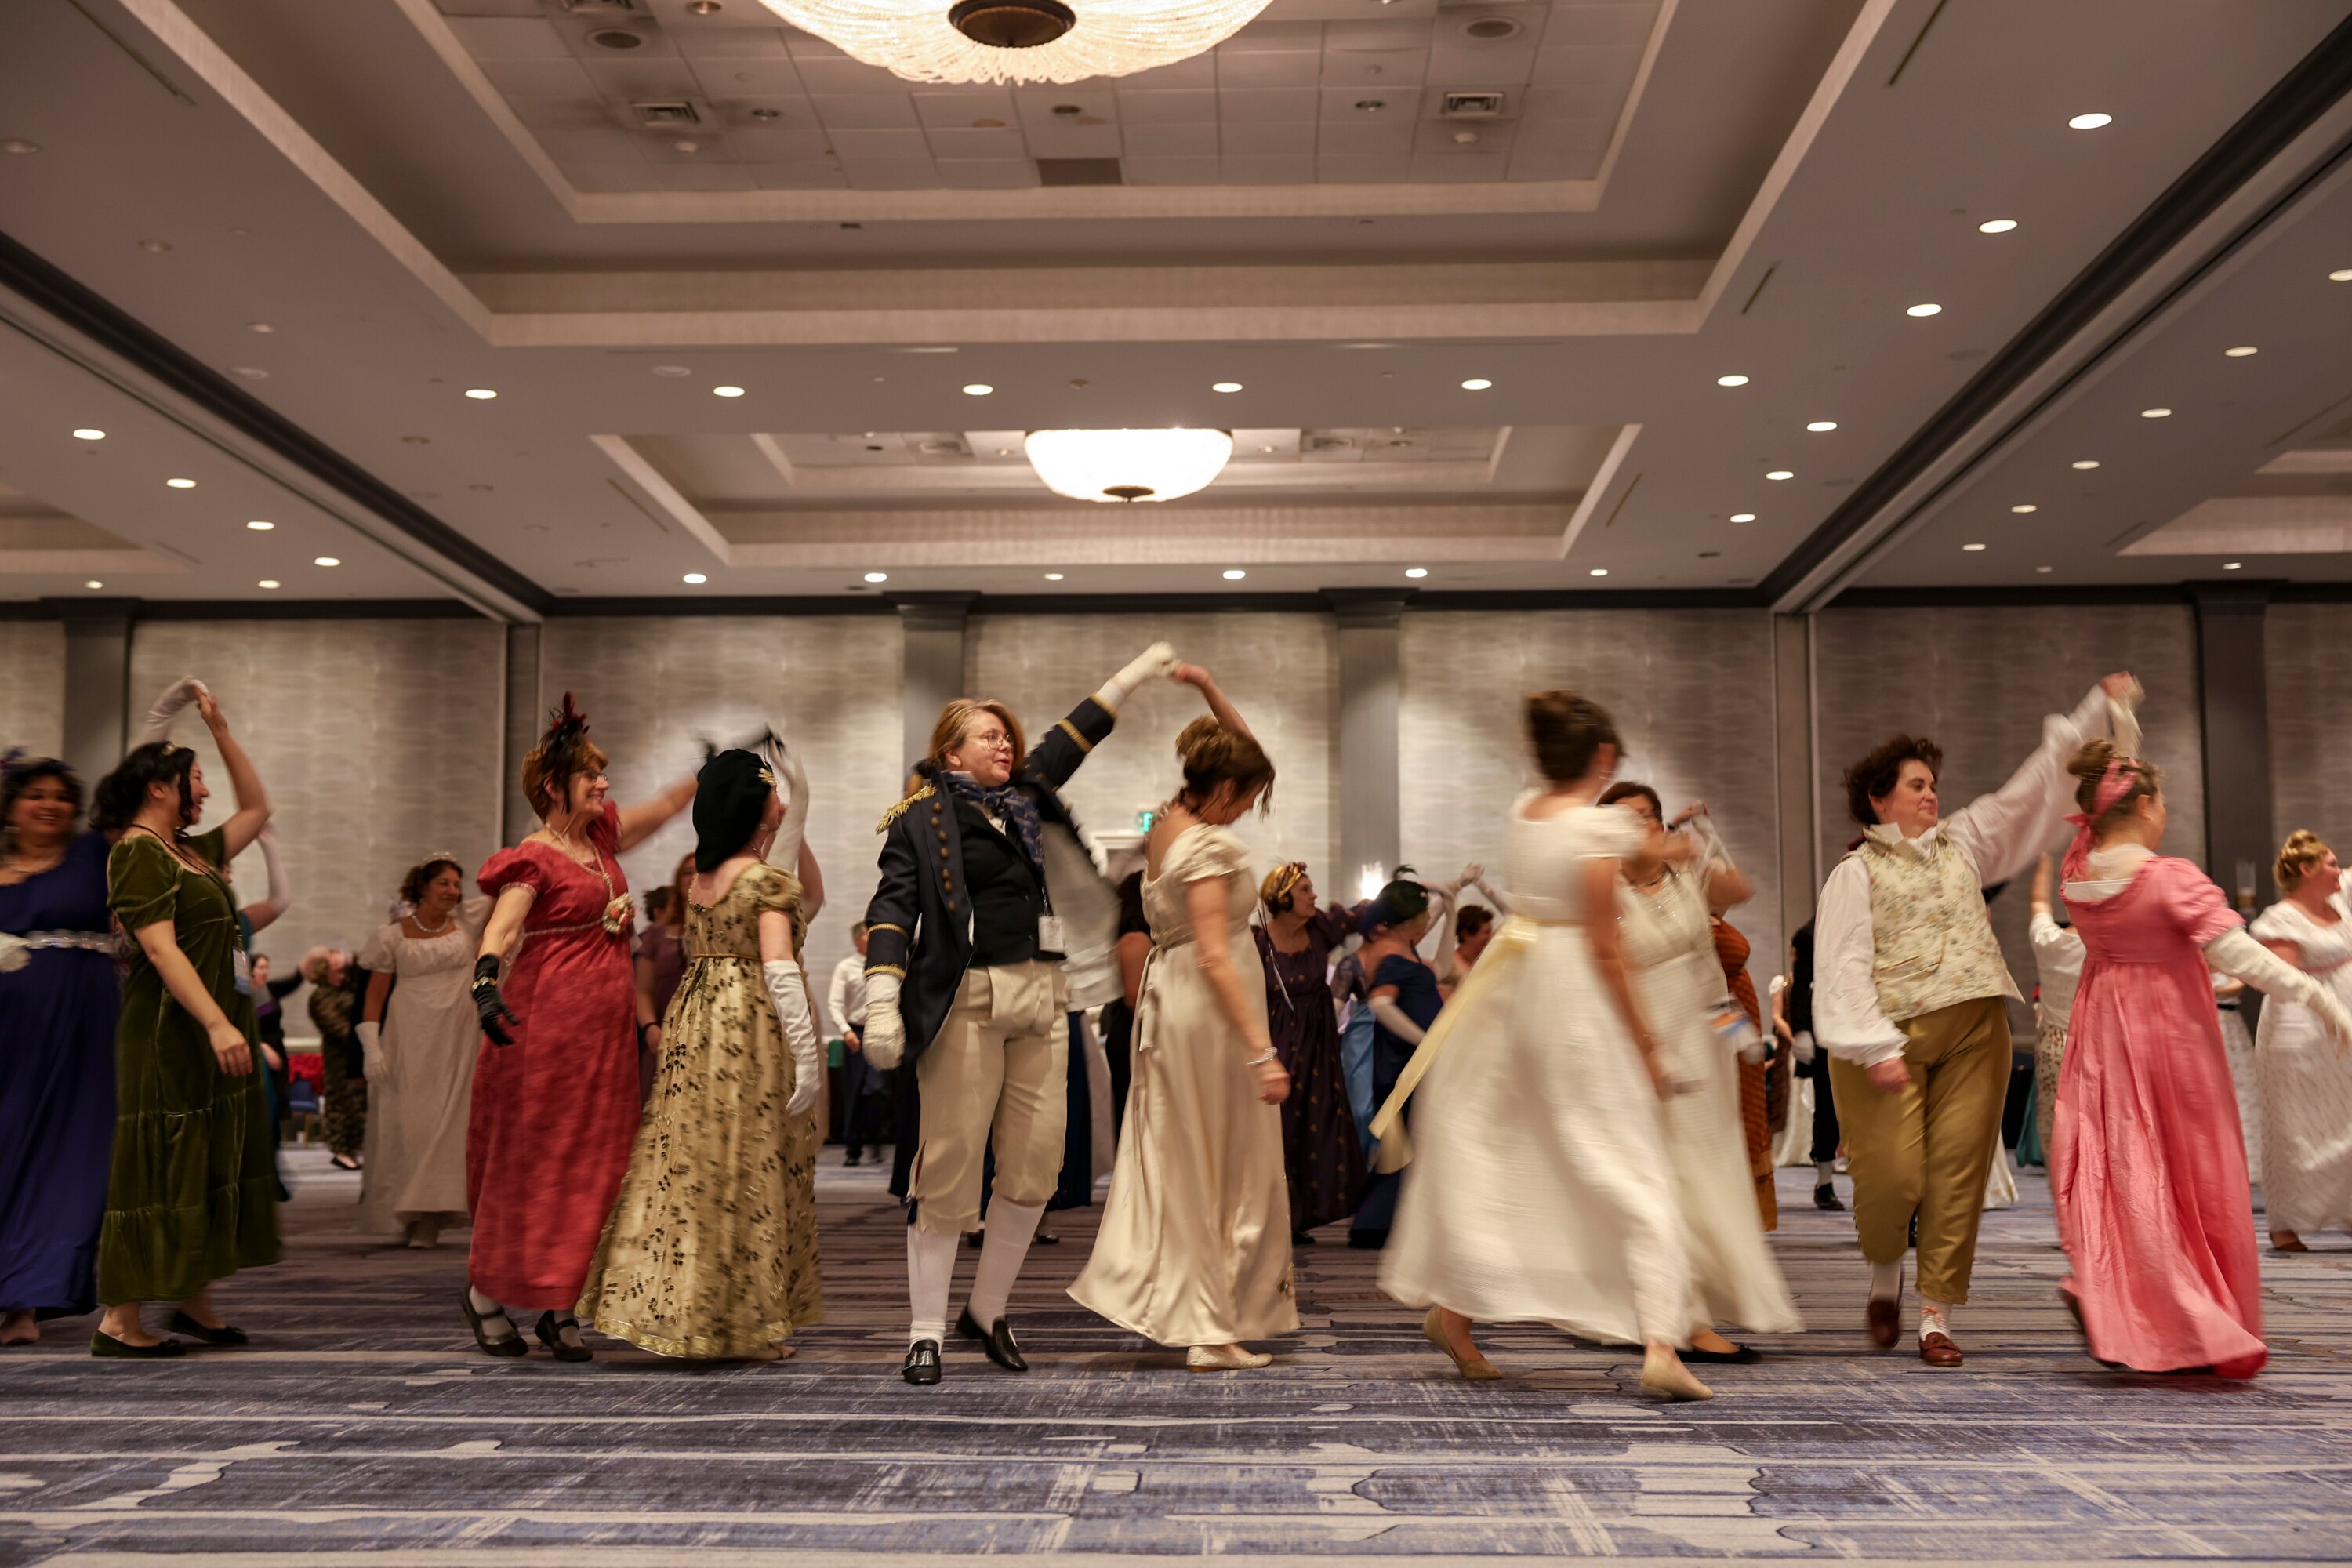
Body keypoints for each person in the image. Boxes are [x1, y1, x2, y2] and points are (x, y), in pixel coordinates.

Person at [1374, 691, 1708, 1399]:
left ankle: (1454, 1315)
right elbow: (1604, 943)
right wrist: (1646, 1044)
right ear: (1604, 757)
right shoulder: (1596, 827)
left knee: (1512, 1149)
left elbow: (1635, 849)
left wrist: (1665, 841)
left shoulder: (1526, 811)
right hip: (1570, 995)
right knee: (1627, 1161)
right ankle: (1660, 1342)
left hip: (1511, 992)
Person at [862, 642, 1179, 1385]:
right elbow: (890, 907)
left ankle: (988, 1310)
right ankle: (925, 1331)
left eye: (1007, 735)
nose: (1004, 743)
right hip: (965, 1000)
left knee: (1037, 1167)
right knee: (948, 1168)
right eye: (987, 735)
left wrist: (1127, 677)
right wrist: (882, 998)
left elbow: (1077, 732)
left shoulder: (1029, 801)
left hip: (1045, 996)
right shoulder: (919, 818)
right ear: (950, 753)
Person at [1814, 673, 2135, 1367]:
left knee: (1957, 1174)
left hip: (1975, 1030)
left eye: (1933, 784)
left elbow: (2032, 788)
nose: (1931, 795)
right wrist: (1873, 1046)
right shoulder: (1854, 873)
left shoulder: (1965, 842)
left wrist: (2096, 708)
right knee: (1893, 1178)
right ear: (1879, 799)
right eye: (1915, 785)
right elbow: (1839, 965)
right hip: (1888, 1038)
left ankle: (1936, 1317)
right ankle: (1883, 1275)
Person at [2054, 745, 2352, 1377]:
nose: (2166, 811)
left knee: (2125, 1166)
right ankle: (2185, 1316)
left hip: (2104, 1030)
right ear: (2141, 806)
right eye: (2160, 800)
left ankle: (2113, 1295)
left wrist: (2124, 727)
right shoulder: (2167, 877)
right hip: (2170, 1035)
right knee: (2191, 1173)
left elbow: (2105, 799)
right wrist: (2320, 998)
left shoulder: (2078, 871)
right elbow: (2243, 957)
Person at [459, 695, 698, 1363]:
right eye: (592, 775)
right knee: (534, 1160)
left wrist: (701, 778)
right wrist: (484, 979)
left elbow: (657, 810)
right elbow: (504, 928)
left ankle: (561, 1304)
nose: (604, 783)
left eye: (603, 774)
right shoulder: (533, 857)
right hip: (545, 1030)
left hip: (602, 1035)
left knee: (596, 1164)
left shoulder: (599, 840)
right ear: (553, 788)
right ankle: (485, 1293)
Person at [1072, 681, 1295, 1369]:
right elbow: (1217, 956)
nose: (1250, 811)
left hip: (1176, 1004)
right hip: (1208, 1010)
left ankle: (1205, 1315)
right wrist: (1262, 1052)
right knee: (1222, 1161)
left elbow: (1247, 753)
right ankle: (1209, 1325)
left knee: (1188, 1155)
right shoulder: (1212, 849)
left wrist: (1208, 687)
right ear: (1224, 789)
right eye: (1249, 798)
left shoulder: (1168, 821)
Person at [581, 749, 824, 1359]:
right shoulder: (764, 882)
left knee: (695, 1165)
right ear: (755, 804)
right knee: (750, 1164)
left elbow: (799, 887)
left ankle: (697, 1311)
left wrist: (797, 807)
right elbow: (782, 966)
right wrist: (809, 1054)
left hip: (697, 1017)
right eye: (770, 791)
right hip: (747, 1021)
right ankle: (744, 1323)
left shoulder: (704, 882)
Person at [89, 693, 278, 1356]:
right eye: (195, 777)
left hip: (212, 1021)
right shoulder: (140, 852)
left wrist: (220, 729)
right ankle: (119, 1320)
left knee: (204, 1160)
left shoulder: (189, 849)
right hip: (172, 1028)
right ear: (160, 787)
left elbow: (258, 809)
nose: (205, 788)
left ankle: (194, 1301)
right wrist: (217, 1025)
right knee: (158, 1164)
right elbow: (162, 948)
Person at [1599, 782, 1801, 1360]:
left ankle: (1686, 1310)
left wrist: (1743, 1044)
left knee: (1711, 1177)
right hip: (1645, 1046)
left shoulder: (1687, 878)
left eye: (1649, 817)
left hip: (1704, 1047)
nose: (1641, 827)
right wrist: (1644, 1049)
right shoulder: (1606, 894)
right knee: (1667, 1182)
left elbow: (1716, 972)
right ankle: (1681, 1318)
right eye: (1626, 820)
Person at [0, 757, 119, 1348]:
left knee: (67, 1158)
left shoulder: (93, 853)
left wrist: (171, 731)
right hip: (9, 1030)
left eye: (62, 797)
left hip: (82, 1027)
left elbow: (136, 799)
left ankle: (26, 1302)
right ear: (10, 806)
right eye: (35, 795)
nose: (49, 805)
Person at [357, 855, 492, 1249]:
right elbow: (374, 995)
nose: (452, 891)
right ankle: (406, 1209)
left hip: (457, 1036)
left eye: (456, 885)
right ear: (422, 887)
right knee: (409, 1123)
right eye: (443, 884)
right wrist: (370, 1048)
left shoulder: (466, 921)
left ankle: (432, 1217)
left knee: (448, 1123)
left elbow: (508, 890)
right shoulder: (392, 936)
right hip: (408, 1036)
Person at [1252, 862, 1367, 1244]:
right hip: (1277, 1044)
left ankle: (1296, 1218)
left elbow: (1368, 913)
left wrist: (1425, 889)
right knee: (1275, 1130)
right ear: (1282, 898)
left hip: (1319, 1051)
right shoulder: (1255, 942)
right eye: (1304, 890)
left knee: (1312, 1128)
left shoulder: (1320, 930)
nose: (1313, 896)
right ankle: (1270, 1216)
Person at [2251, 831, 2352, 1253]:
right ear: (2308, 870)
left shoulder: (2341, 902)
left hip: (2345, 1028)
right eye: (2331, 864)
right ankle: (2286, 1224)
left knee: (2346, 1118)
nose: (2338, 871)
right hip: (2301, 1033)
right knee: (2298, 1126)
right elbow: (2283, 981)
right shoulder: (2281, 918)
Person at [1347, 877, 1441, 1249]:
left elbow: (1443, 964)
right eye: (1422, 913)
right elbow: (1381, 1005)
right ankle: (1377, 1222)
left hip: (1415, 1060)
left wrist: (1449, 900)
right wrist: (1426, 1043)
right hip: (1405, 1062)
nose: (1427, 918)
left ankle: (1390, 1222)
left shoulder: (1408, 950)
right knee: (1405, 1141)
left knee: (1411, 1142)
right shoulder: (1392, 956)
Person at [2024, 854, 2085, 1169]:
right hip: (2094, 1045)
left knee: (2057, 1125)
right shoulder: (2105, 947)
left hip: (2053, 1046)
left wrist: (2044, 862)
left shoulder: (2048, 940)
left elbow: (2037, 903)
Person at [633, 855, 692, 1104]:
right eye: (688, 872)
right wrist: (650, 1027)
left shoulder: (720, 932)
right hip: (662, 1038)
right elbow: (642, 990)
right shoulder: (657, 935)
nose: (694, 878)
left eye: (701, 871)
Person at [301, 947, 365, 1172]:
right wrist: (366, 1036)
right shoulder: (320, 996)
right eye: (336, 970)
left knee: (360, 1105)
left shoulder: (349, 989)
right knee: (342, 1105)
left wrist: (348, 957)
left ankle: (352, 1150)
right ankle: (341, 1151)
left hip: (358, 1057)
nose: (342, 973)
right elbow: (336, 1027)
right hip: (339, 1061)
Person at [1098, 872, 1150, 1142]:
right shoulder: (1134, 939)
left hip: (1135, 1032)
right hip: (1133, 1033)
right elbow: (1134, 999)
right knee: (1137, 1116)